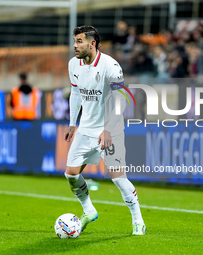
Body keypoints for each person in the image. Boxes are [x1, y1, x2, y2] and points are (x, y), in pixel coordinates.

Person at [64, 25, 146, 235]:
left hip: (110, 129)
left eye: (79, 41)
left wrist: (108, 129)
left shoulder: (111, 66)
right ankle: (89, 210)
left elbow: (121, 99)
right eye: (75, 41)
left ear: (92, 43)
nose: (75, 45)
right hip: (86, 129)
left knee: (118, 177)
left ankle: (138, 221)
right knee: (71, 174)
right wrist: (73, 123)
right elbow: (75, 95)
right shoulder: (74, 64)